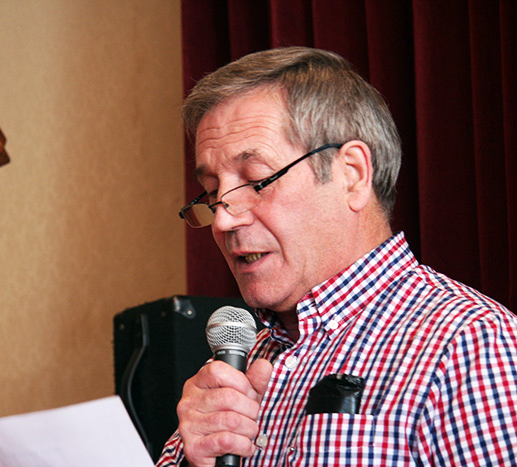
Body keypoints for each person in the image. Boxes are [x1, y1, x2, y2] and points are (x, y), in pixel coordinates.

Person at [156, 47, 517, 466]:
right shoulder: (237, 366)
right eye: (215, 193)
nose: (222, 221)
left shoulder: (470, 343)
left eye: (256, 180)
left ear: (352, 174)